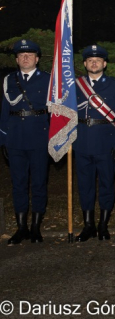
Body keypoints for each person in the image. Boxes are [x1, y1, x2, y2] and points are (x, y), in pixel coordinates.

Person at [73, 45, 115, 241]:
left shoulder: (114, 85)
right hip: (81, 143)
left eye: (98, 60)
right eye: (90, 60)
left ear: (104, 64)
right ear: (85, 64)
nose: (94, 62)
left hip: (106, 143)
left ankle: (103, 225)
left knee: (106, 185)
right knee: (85, 186)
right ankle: (88, 225)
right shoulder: (76, 85)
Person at [1, 40, 51, 245]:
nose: (25, 58)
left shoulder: (48, 80)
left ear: (37, 59)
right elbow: (4, 110)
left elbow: (56, 111)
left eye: (30, 55)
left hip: (39, 137)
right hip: (15, 139)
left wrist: (56, 139)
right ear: (16, 59)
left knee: (39, 183)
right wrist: (3, 139)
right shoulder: (8, 81)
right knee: (19, 185)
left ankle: (35, 227)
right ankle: (21, 228)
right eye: (21, 55)